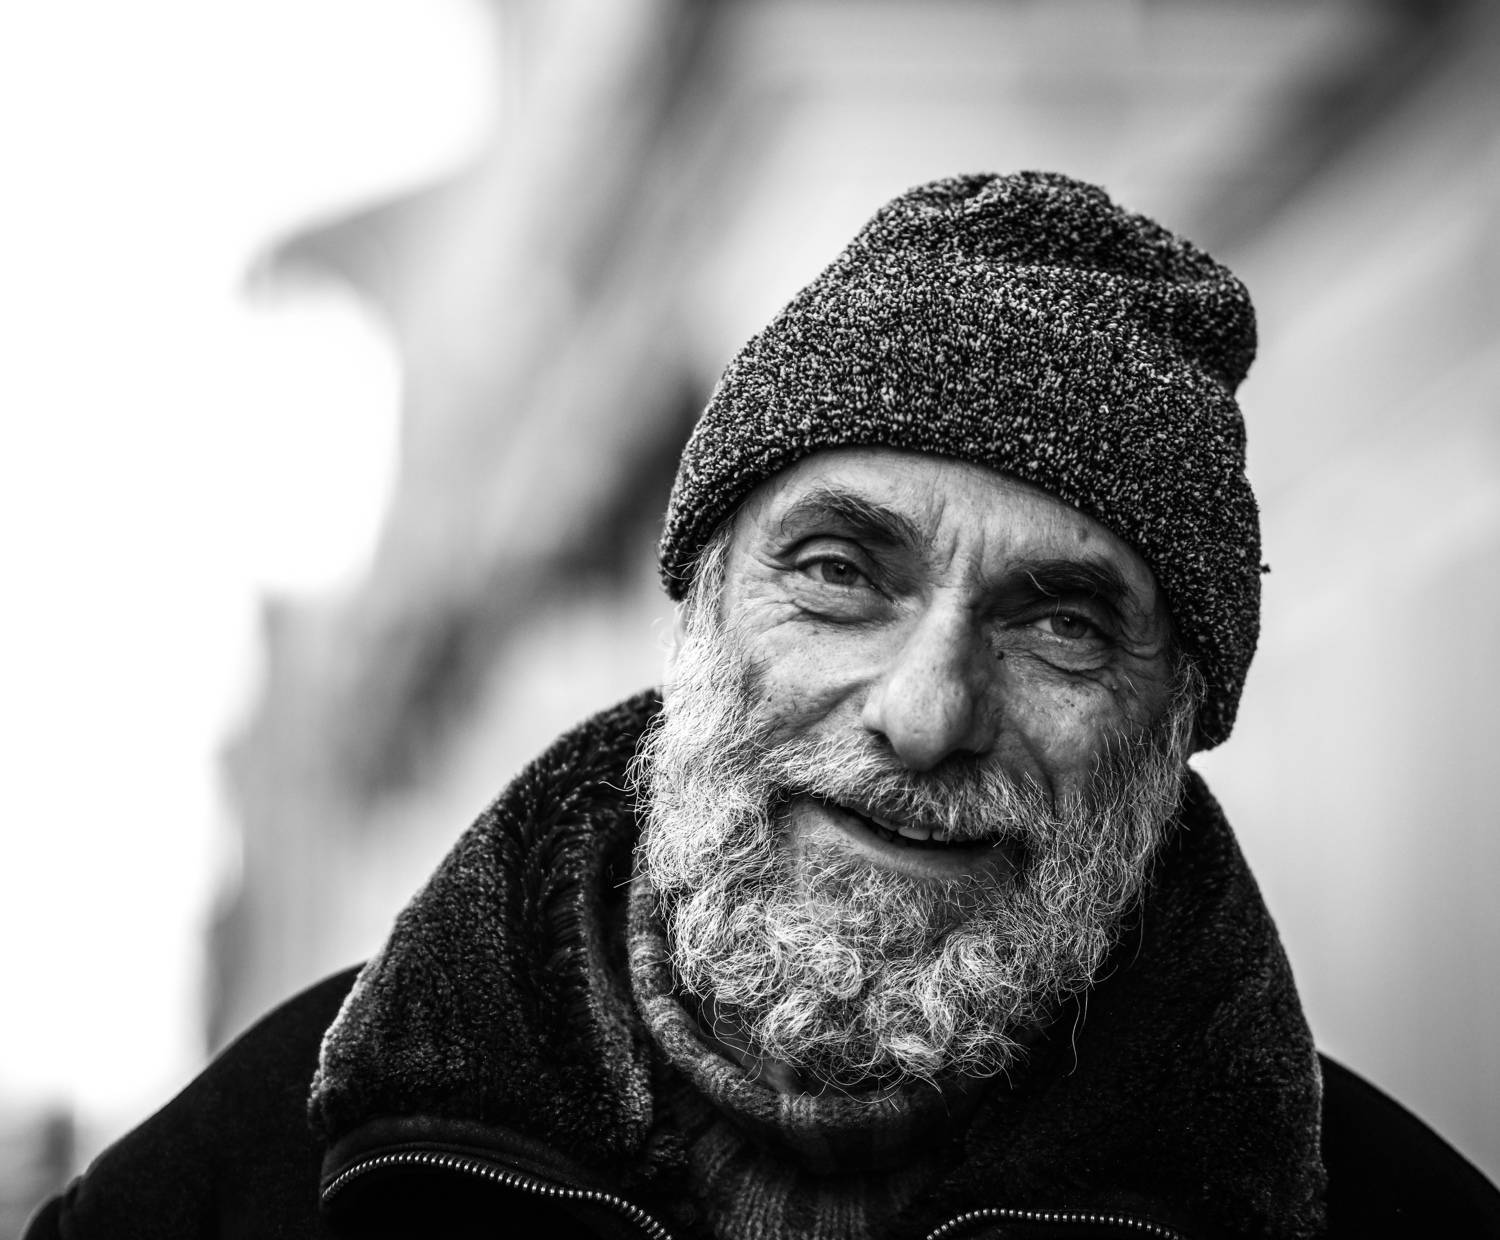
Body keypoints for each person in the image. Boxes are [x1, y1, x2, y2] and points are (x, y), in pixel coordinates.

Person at [25, 172, 1500, 1240]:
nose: (926, 714)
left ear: (1173, 727)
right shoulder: (265, 1175)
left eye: (1060, 624)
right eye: (842, 573)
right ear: (701, 611)